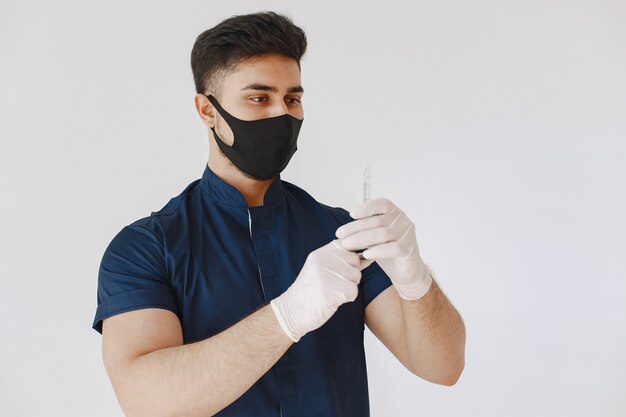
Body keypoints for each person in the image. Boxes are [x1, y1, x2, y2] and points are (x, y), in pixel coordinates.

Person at [92, 10, 466, 417]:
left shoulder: (343, 235)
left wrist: (415, 279)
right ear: (207, 110)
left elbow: (443, 367)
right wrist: (288, 316)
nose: (281, 114)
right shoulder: (146, 249)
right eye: (259, 98)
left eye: (292, 99)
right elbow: (147, 402)